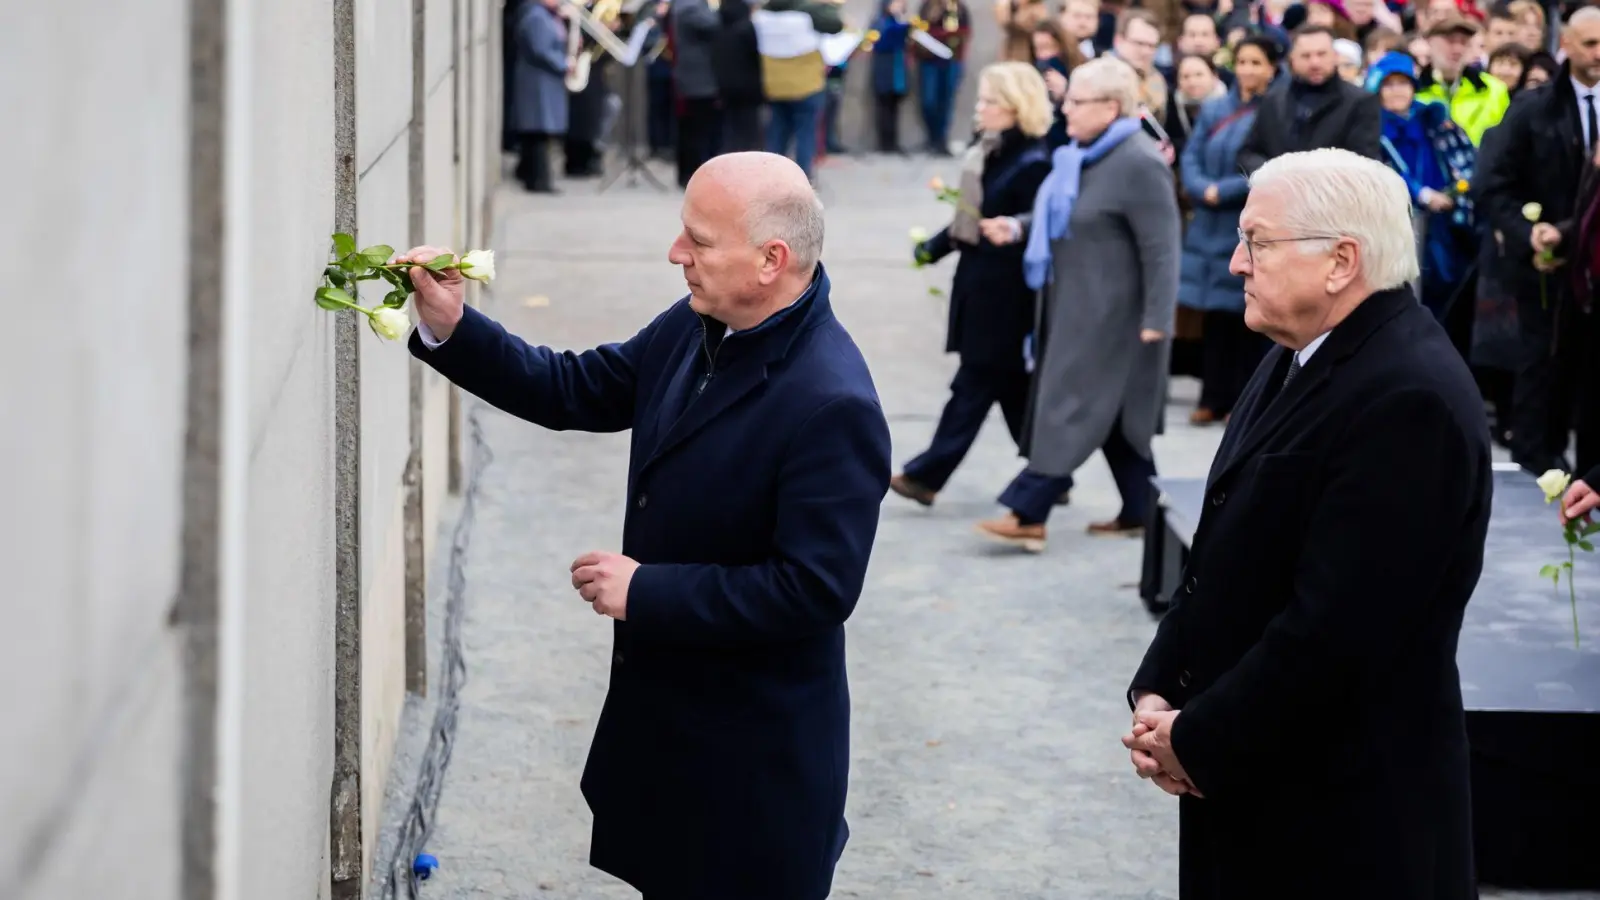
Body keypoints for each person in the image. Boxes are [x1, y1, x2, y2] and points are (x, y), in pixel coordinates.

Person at [400, 151, 892, 899]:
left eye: (698, 240)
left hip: (755, 774)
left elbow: (814, 590)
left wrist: (646, 592)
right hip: (673, 740)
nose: (676, 255)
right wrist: (454, 327)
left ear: (771, 260)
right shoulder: (703, 321)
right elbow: (578, 388)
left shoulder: (832, 401)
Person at [1124, 148, 1491, 899]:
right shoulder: (1301, 349)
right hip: (1262, 783)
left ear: (1340, 262)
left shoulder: (1406, 396)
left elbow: (1340, 628)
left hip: (1345, 821)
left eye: (1256, 240)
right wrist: (1159, 688)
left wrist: (1197, 736)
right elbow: (1225, 551)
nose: (1234, 263)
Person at [976, 56, 1181, 551]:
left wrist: (1158, 318)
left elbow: (1163, 246)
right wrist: (1020, 226)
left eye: (1076, 101)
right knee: (1114, 418)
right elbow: (1069, 214)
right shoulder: (1081, 155)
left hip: (1116, 318)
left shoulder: (1139, 161)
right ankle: (1141, 510)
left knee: (1069, 406)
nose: (1063, 108)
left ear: (1111, 107)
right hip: (1075, 307)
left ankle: (1030, 509)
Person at [889, 62, 1055, 506]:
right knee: (1010, 390)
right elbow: (971, 218)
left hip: (1005, 296)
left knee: (974, 386)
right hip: (981, 287)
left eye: (988, 101)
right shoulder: (992, 149)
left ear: (1016, 107)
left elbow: (1032, 231)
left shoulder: (1034, 161)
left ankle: (926, 476)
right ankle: (1051, 471)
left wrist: (998, 233)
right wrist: (934, 248)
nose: (979, 109)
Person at [1475, 7, 1600, 476]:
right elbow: (1493, 183)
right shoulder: (1532, 107)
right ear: (1564, 44)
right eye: (1589, 43)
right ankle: (1538, 454)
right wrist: (1530, 235)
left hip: (1595, 262)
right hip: (1542, 266)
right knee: (1541, 360)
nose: (1598, 53)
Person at [1179, 35, 1279, 425]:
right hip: (1209, 219)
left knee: (1247, 314)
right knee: (1215, 314)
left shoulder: (1274, 108)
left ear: (1271, 67)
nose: (1248, 70)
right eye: (1242, 62)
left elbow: (1272, 161)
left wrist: (1226, 189)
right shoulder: (1216, 107)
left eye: (1257, 63)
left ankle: (1242, 399)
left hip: (1245, 217)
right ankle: (1212, 395)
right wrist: (1200, 185)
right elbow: (1192, 153)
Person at [1236, 24, 1383, 172]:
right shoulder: (1273, 100)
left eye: (1321, 54)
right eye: (1306, 56)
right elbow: (1248, 154)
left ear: (1335, 56)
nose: (1315, 63)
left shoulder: (1360, 102)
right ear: (1292, 59)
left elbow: (1363, 161)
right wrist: (1275, 175)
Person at [508, 0, 573, 193]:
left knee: (540, 133)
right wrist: (563, 64)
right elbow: (540, 49)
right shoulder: (535, 16)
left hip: (544, 82)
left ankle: (532, 174)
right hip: (537, 82)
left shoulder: (546, 15)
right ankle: (538, 180)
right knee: (538, 131)